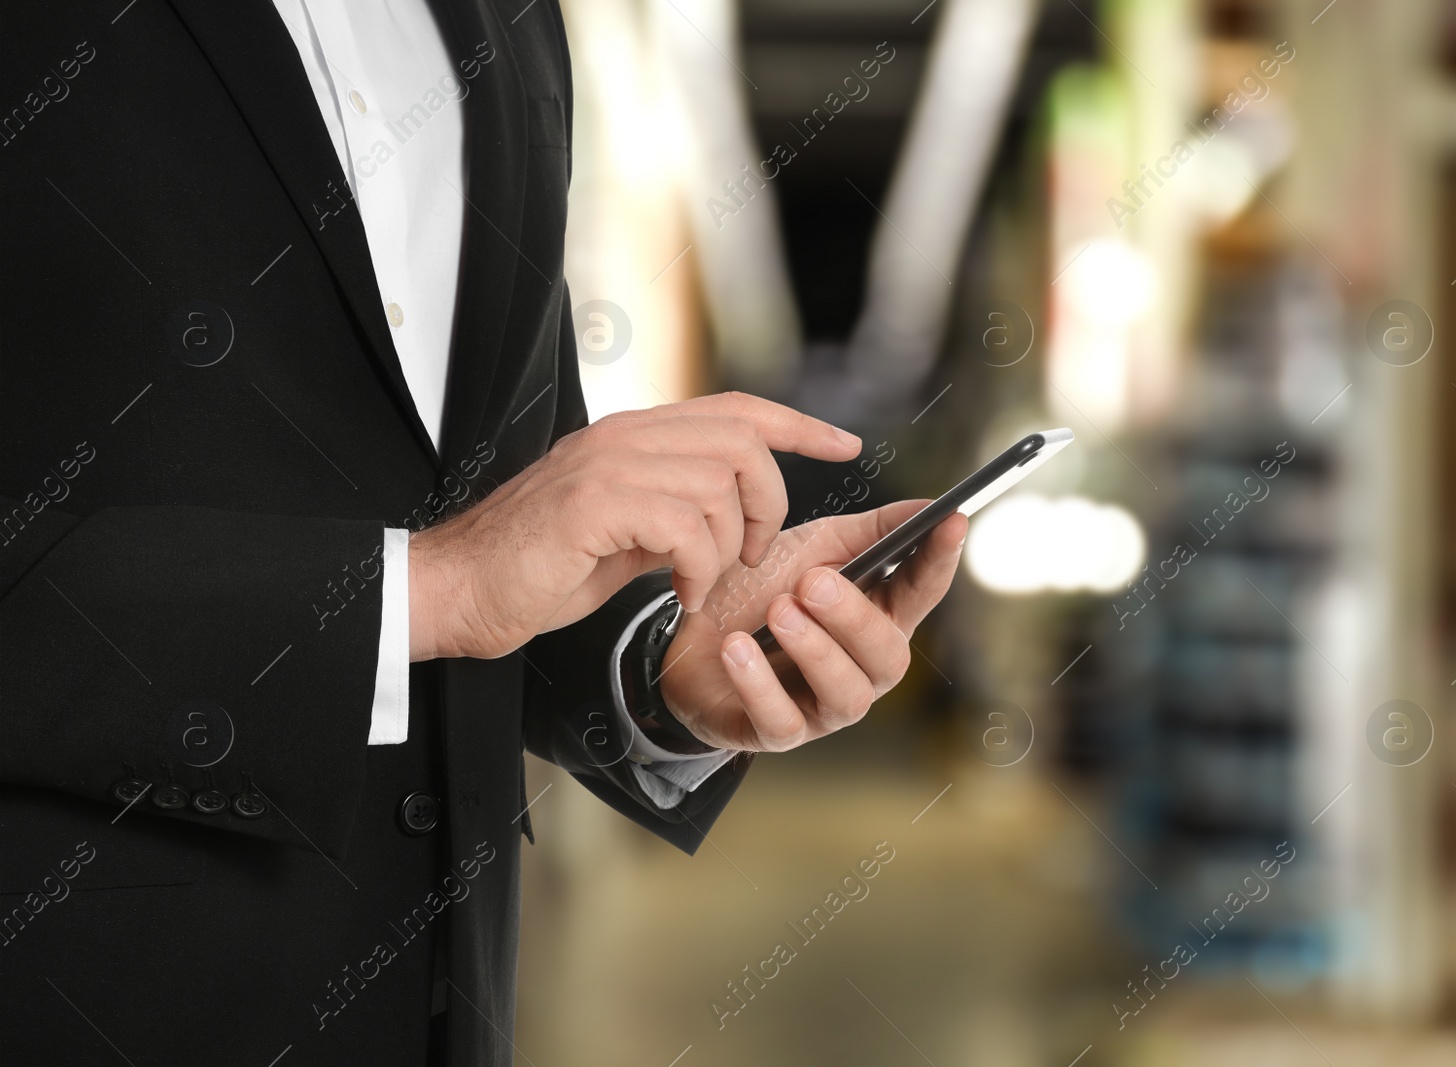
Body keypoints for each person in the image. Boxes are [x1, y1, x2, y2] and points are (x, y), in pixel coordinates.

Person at [0, 2, 965, 1064]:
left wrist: (667, 666)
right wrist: (430, 587)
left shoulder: (514, 26)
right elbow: (452, 572)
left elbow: (496, 526)